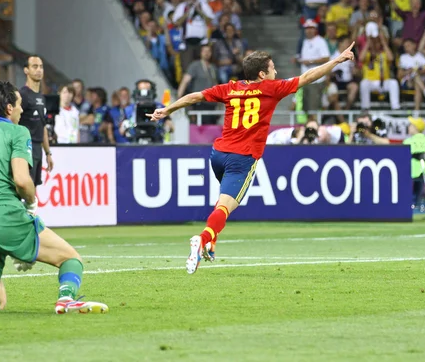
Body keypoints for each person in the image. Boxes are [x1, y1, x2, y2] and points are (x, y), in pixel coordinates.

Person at [147, 44, 355, 274]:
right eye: (273, 69)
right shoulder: (272, 88)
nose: (276, 72)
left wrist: (168, 109)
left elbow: (195, 97)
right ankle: (203, 238)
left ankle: (211, 243)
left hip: (218, 155)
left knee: (222, 202)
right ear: (262, 74)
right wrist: (337, 60)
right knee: (226, 207)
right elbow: (308, 76)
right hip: (242, 158)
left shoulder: (231, 88)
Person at [0, 80, 108, 315]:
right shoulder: (17, 131)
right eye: (19, 104)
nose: (22, 110)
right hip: (2, 214)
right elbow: (22, 180)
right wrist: (31, 206)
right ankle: (66, 300)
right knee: (70, 258)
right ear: (9, 108)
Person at [18, 55, 53, 185]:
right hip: (25, 148)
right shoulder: (22, 95)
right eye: (34, 66)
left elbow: (42, 126)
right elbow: (12, 123)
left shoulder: (41, 97)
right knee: (24, 189)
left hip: (38, 149)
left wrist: (48, 153)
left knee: (33, 190)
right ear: (26, 70)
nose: (39, 70)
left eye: (41, 67)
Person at [403, 117, 425, 206]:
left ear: (416, 127)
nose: (409, 127)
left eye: (411, 125)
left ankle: (412, 201)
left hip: (412, 173)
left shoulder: (407, 142)